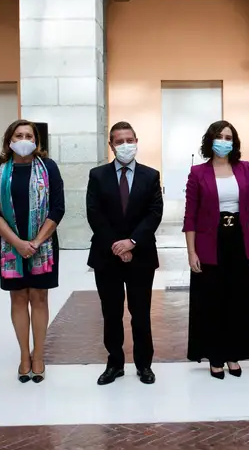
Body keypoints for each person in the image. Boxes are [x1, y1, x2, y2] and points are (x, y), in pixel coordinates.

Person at [183, 121, 249, 379]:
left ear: (234, 142)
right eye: (219, 136)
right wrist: (191, 251)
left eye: (228, 137)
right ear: (210, 140)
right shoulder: (198, 172)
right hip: (209, 242)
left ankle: (233, 353)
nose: (224, 141)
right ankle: (215, 355)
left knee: (237, 298)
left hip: (237, 240)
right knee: (211, 299)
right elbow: (190, 216)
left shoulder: (244, 168)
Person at [86, 122, 164, 385]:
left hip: (140, 255)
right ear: (111, 145)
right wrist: (117, 246)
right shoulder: (97, 176)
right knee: (111, 313)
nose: (125, 145)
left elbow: (155, 213)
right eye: (119, 141)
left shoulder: (150, 176)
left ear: (136, 141)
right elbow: (94, 214)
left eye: (129, 140)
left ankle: (144, 365)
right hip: (106, 256)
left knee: (140, 312)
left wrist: (132, 242)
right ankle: (114, 363)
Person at [0, 120, 64, 384]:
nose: (23, 139)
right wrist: (18, 243)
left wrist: (36, 241)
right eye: (18, 135)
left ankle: (39, 355)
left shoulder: (48, 168)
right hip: (11, 246)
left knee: (39, 299)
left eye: (28, 135)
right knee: (18, 299)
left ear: (36, 141)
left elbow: (57, 208)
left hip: (43, 246)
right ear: (9, 140)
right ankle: (23, 356)